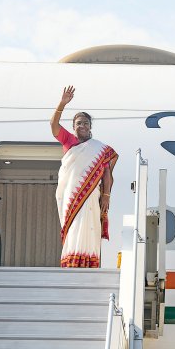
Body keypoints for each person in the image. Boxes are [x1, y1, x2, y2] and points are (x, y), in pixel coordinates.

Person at [50, 86, 118, 268]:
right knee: (72, 227)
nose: (82, 126)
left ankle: (89, 264)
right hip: (70, 196)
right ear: (73, 127)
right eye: (79, 123)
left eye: (85, 123)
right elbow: (53, 126)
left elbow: (107, 175)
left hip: (91, 196)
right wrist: (62, 104)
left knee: (90, 227)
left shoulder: (100, 149)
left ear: (90, 127)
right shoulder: (69, 141)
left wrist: (106, 195)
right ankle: (71, 262)